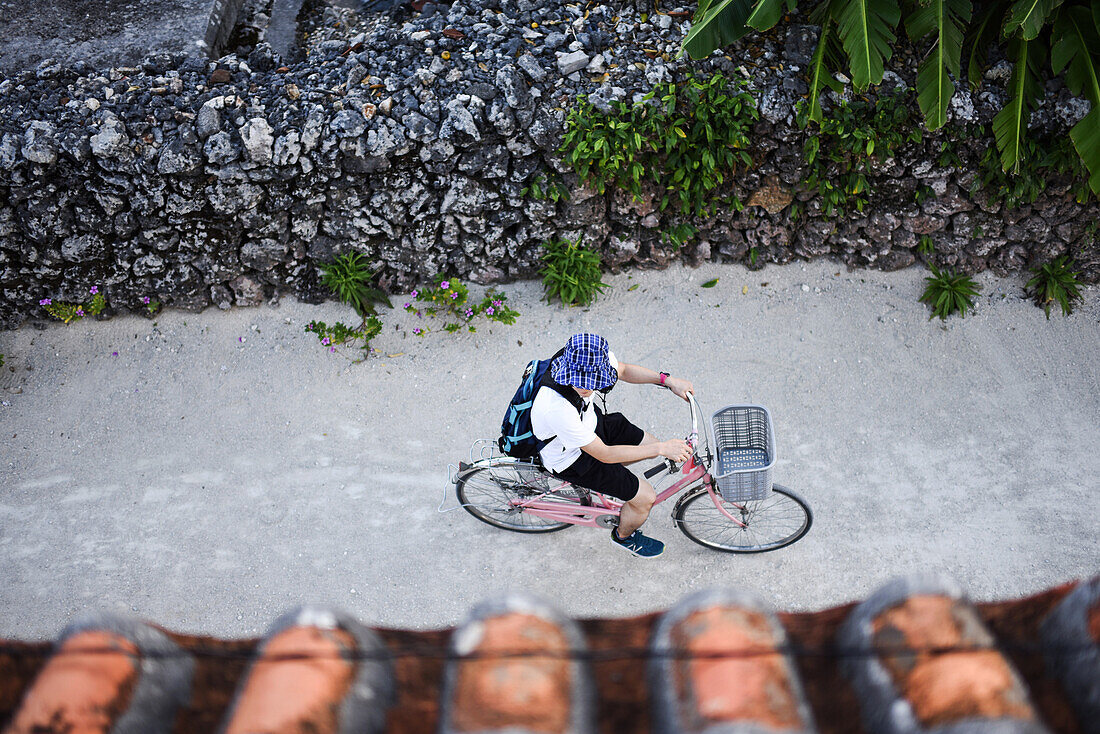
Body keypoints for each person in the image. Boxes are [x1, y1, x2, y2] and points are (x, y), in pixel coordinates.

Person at [530, 333, 694, 557]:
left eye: (593, 382)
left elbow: (624, 370)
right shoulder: (556, 408)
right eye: (580, 381)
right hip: (574, 457)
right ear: (569, 371)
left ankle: (618, 482)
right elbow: (604, 454)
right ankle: (623, 537)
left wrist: (668, 381)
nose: (587, 389)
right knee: (646, 497)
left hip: (592, 423)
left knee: (650, 444)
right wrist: (661, 449)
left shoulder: (589, 355)